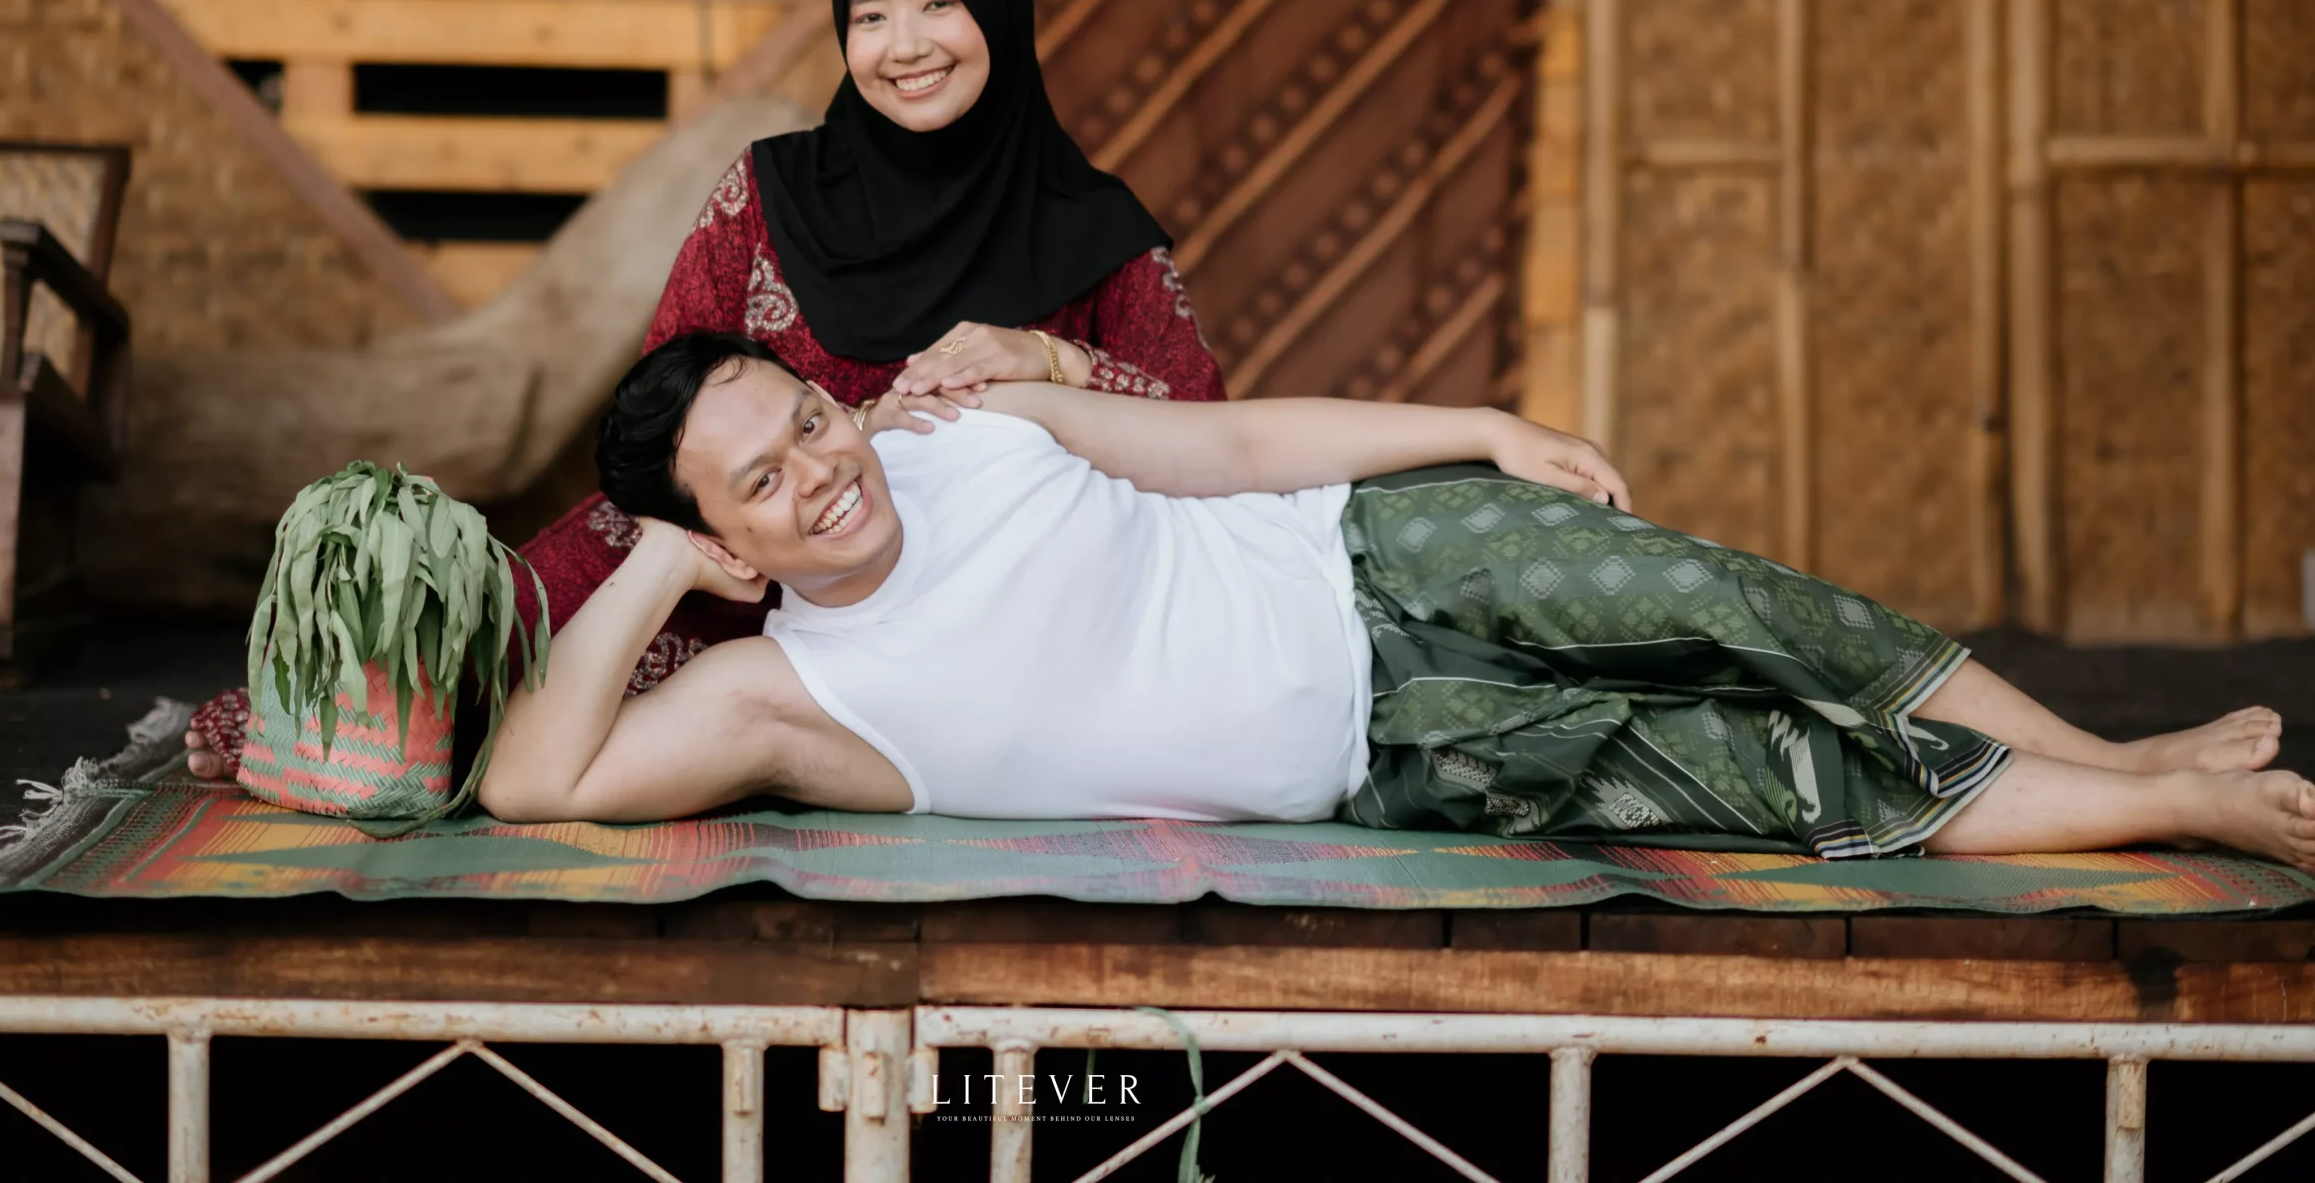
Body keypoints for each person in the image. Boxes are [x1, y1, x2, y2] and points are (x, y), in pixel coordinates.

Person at [474, 331, 2313, 875]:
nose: (821, 470)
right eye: (761, 482)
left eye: (806, 419)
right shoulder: (789, 699)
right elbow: (534, 784)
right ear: (725, 537)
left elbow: (1239, 443)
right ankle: (2170, 805)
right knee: (1766, 770)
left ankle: (2117, 752)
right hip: (1402, 750)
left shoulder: (970, 429)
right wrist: (663, 565)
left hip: (1376, 551)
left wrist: (1482, 431)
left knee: (1752, 608)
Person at [187, 0, 1224, 779]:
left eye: (937, 4)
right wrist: (742, 513)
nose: (905, 46)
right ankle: (341, 716)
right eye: (870, 17)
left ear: (998, 9)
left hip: (967, 596)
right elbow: (661, 401)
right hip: (735, 567)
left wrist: (1050, 359)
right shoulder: (776, 189)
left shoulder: (1095, 231)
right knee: (529, 613)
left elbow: (1207, 433)